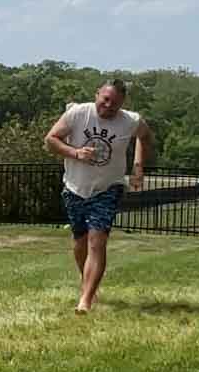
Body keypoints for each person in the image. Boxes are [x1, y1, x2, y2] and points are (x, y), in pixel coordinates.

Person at [43, 80, 151, 314]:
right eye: (106, 99)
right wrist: (75, 152)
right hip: (74, 187)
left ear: (123, 104)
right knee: (80, 241)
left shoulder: (130, 120)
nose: (109, 106)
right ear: (97, 95)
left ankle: (86, 300)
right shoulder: (78, 113)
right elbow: (50, 140)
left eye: (115, 103)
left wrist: (138, 167)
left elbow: (145, 136)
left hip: (108, 188)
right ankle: (87, 283)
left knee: (97, 241)